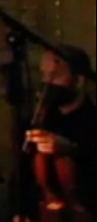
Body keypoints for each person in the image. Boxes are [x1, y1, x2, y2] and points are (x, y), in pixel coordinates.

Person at [27, 46, 97, 220]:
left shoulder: (92, 119)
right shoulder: (40, 119)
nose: (48, 84)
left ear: (79, 80)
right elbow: (24, 176)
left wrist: (72, 149)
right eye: (44, 76)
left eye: (55, 76)